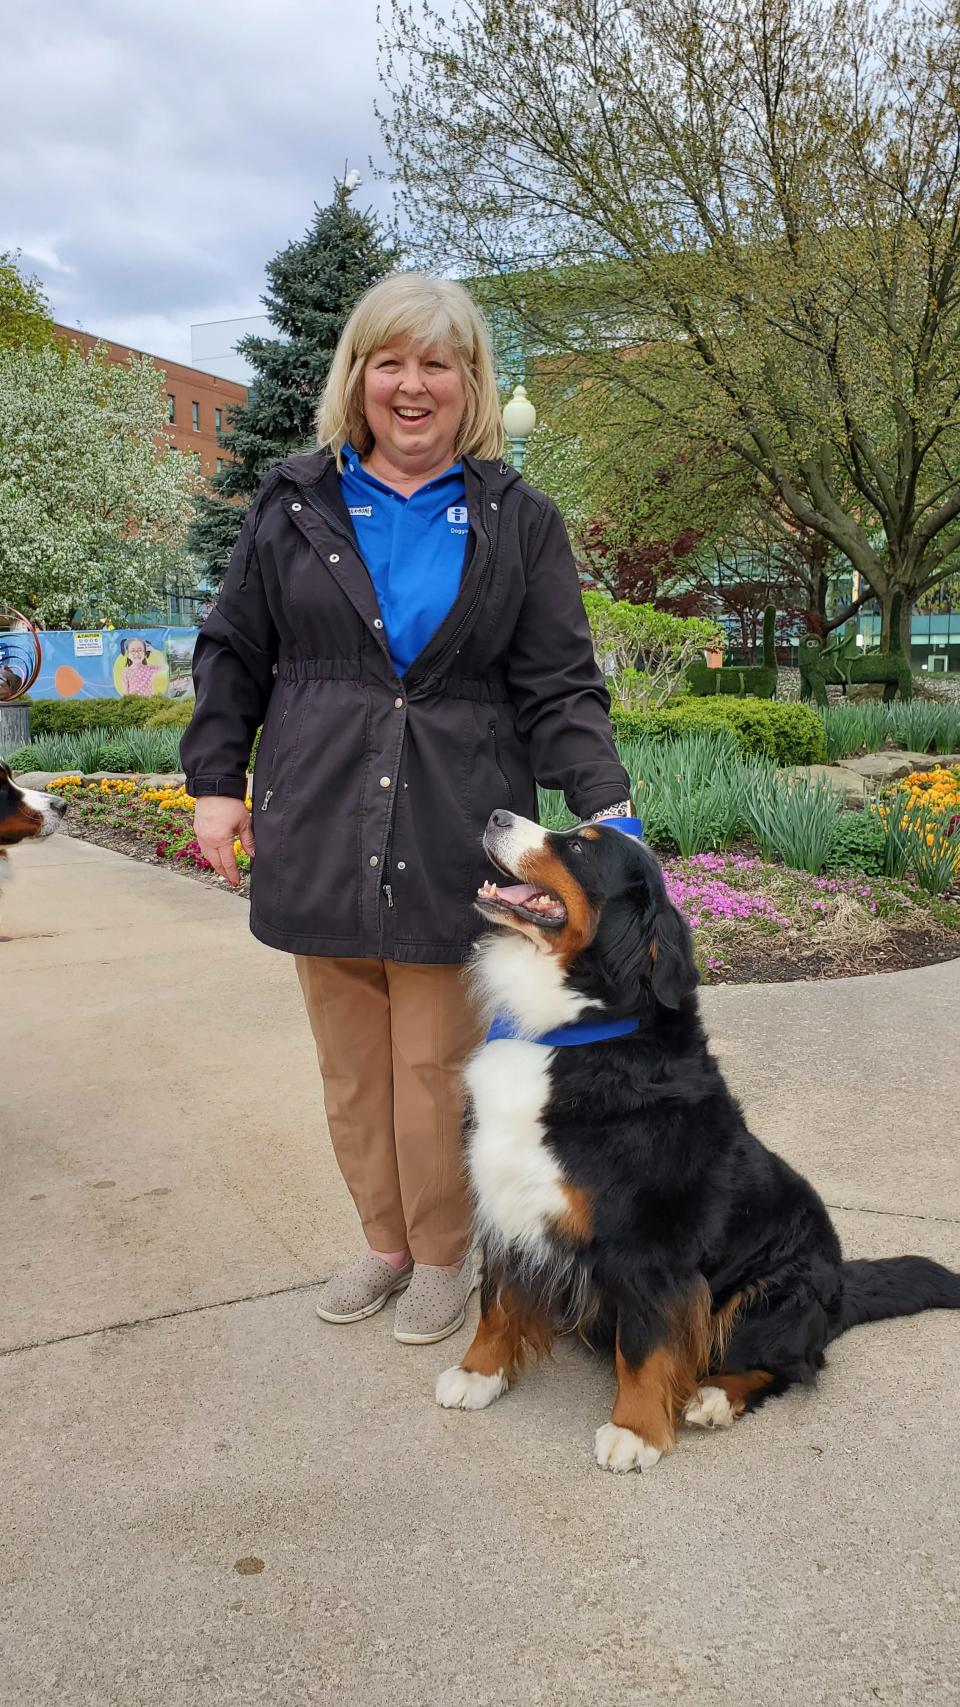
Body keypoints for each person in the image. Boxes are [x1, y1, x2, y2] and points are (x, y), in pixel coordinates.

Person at [181, 273, 631, 1346]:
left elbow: (560, 682)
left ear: (470, 382)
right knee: (349, 1065)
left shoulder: (518, 519)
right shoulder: (294, 502)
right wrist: (213, 785)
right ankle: (383, 1241)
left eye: (439, 363)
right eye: (392, 361)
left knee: (434, 1065)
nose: (413, 385)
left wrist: (604, 802)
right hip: (320, 812)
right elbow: (234, 649)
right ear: (360, 376)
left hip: (455, 826)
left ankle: (441, 1255)